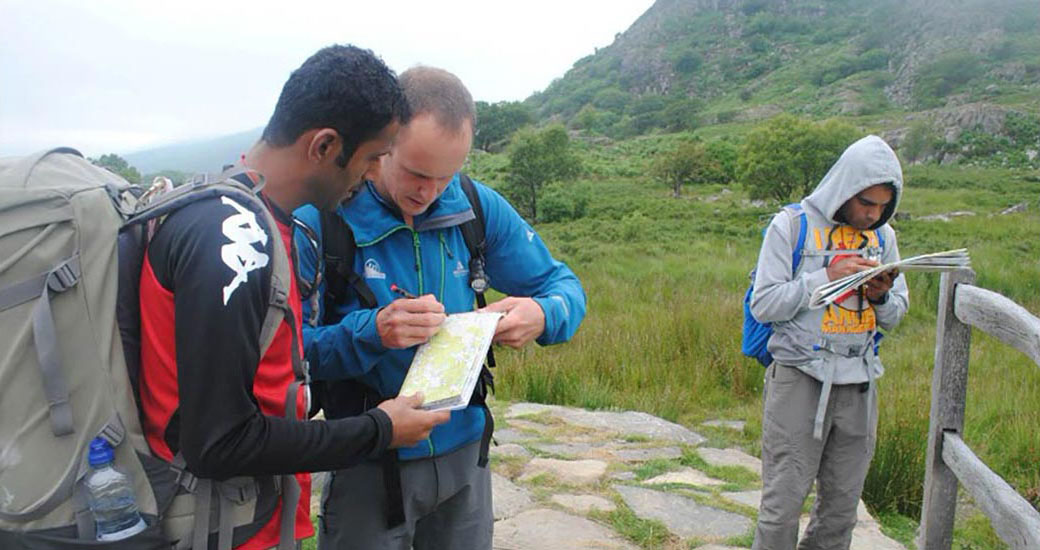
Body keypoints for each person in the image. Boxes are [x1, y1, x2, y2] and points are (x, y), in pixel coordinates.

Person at [137, 45, 450, 550]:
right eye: (372, 157)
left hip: (248, 518)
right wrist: (379, 429)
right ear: (324, 146)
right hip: (213, 528)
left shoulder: (267, 223)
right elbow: (220, 442)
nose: (373, 175)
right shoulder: (233, 240)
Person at [295, 66, 587, 550]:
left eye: (445, 175)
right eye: (415, 171)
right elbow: (286, 353)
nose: (428, 192)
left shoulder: (473, 204)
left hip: (465, 459)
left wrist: (544, 314)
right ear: (385, 140)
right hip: (369, 459)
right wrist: (370, 332)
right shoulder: (322, 221)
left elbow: (563, 285)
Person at [749, 135, 909, 550]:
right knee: (782, 506)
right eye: (866, 204)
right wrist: (827, 278)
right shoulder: (791, 226)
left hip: (859, 385)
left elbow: (895, 316)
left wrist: (879, 295)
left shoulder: (884, 237)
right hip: (799, 380)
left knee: (841, 511)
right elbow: (764, 304)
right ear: (844, 191)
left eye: (882, 207)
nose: (872, 215)